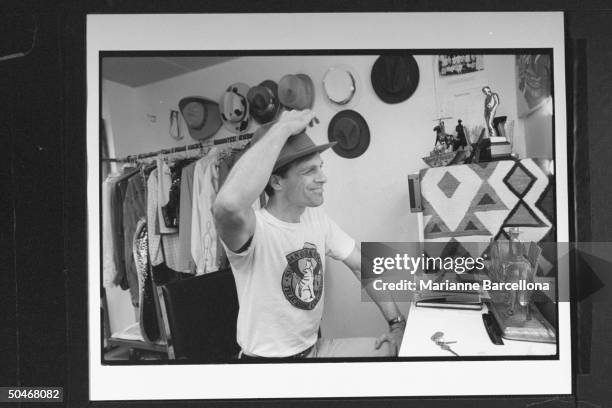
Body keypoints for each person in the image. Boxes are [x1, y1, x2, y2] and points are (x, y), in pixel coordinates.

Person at [213, 109, 406, 359]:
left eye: (320, 167)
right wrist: (282, 128)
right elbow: (226, 205)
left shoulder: (315, 217)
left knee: (400, 351)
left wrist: (397, 324)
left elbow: (363, 266)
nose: (323, 178)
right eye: (309, 171)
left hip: (315, 350)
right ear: (276, 182)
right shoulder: (252, 229)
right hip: (267, 366)